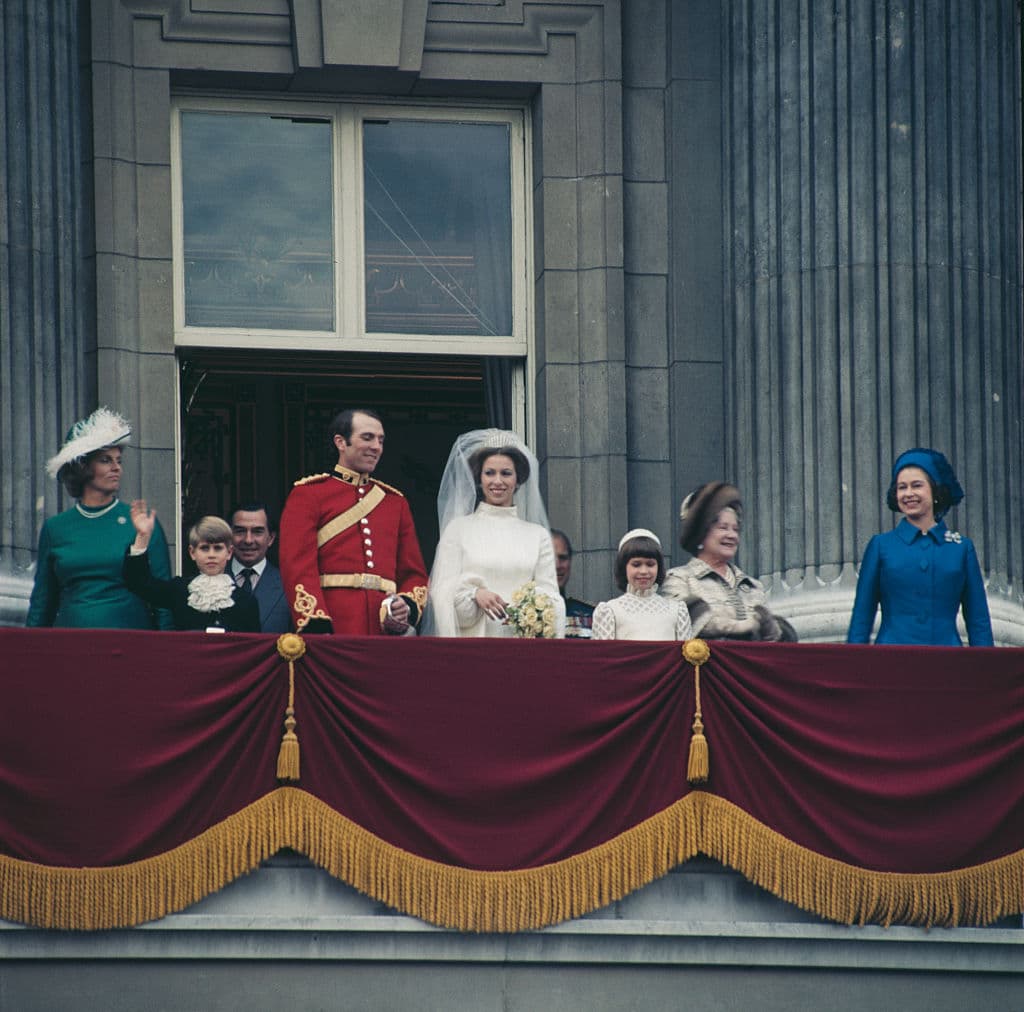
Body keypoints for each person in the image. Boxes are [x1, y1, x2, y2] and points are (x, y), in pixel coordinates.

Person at [278, 408, 428, 635]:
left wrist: (405, 606)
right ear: (340, 442)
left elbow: (414, 574)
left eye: (380, 440)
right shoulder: (308, 494)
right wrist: (316, 622)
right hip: (334, 624)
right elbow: (297, 565)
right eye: (367, 438)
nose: (376, 447)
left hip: (384, 631)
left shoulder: (395, 502)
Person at [26, 407, 173, 630]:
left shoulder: (140, 522)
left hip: (131, 646)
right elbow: (43, 601)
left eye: (119, 461)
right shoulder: (56, 528)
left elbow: (164, 601)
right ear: (82, 466)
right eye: (106, 460)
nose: (116, 468)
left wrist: (167, 655)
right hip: (71, 646)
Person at [422, 429, 565, 638]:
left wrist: (528, 612)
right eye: (490, 473)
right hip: (473, 646)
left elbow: (551, 597)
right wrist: (474, 595)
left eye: (506, 473)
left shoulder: (538, 535)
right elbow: (441, 591)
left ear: (518, 479)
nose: (497, 481)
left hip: (522, 648)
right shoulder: (458, 529)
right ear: (479, 478)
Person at [847, 448, 993, 646]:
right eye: (901, 487)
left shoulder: (961, 548)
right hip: (891, 661)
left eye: (916, 486)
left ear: (935, 490)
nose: (908, 494)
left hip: (947, 663)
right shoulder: (881, 546)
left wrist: (986, 671)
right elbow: (862, 617)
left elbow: (978, 620)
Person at [661, 482, 797, 641]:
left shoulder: (753, 586)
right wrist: (741, 627)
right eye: (723, 527)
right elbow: (683, 624)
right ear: (701, 533)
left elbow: (771, 642)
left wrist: (772, 630)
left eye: (735, 529)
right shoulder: (678, 579)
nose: (732, 535)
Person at [123, 505, 259, 632]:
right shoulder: (179, 590)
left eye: (217, 548)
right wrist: (142, 537)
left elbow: (252, 647)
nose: (211, 555)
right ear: (192, 553)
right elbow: (139, 583)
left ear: (229, 552)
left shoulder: (246, 600)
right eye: (204, 548)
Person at [592, 530, 691, 640]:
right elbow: (603, 655)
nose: (644, 571)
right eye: (636, 564)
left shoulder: (677, 611)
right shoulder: (610, 611)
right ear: (624, 567)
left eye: (650, 564)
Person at [228, 502, 291, 633]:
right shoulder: (209, 581)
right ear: (228, 536)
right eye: (240, 531)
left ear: (271, 538)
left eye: (257, 532)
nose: (248, 540)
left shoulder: (289, 586)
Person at [551, 529, 595, 638]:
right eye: (550, 558)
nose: (557, 565)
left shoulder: (591, 614)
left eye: (563, 558)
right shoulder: (518, 616)